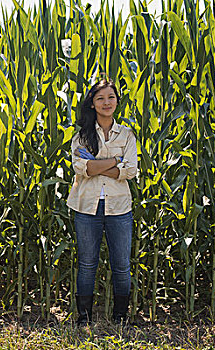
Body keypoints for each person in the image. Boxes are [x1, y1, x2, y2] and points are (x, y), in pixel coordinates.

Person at [66, 78, 138, 326]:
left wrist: (97, 165)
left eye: (111, 97)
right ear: (93, 104)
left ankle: (120, 317)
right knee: (87, 264)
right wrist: (115, 161)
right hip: (86, 207)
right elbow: (80, 168)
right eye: (100, 98)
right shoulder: (81, 136)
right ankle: (83, 318)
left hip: (119, 208)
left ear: (117, 101)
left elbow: (130, 171)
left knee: (121, 265)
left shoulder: (127, 135)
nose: (106, 102)